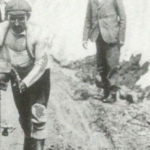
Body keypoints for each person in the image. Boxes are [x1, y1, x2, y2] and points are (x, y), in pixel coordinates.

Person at [0, 0, 51, 149]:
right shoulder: (2, 31)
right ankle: (29, 144)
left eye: (21, 18)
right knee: (24, 118)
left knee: (38, 115)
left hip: (38, 77)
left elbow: (41, 64)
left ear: (27, 17)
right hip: (17, 75)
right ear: (7, 17)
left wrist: (26, 82)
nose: (16, 23)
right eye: (12, 18)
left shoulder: (37, 33)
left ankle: (39, 147)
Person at [83, 0, 126, 103]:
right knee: (101, 65)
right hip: (98, 36)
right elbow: (88, 19)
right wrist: (85, 38)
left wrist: (121, 37)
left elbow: (123, 18)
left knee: (112, 65)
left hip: (112, 36)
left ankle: (113, 93)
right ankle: (106, 92)